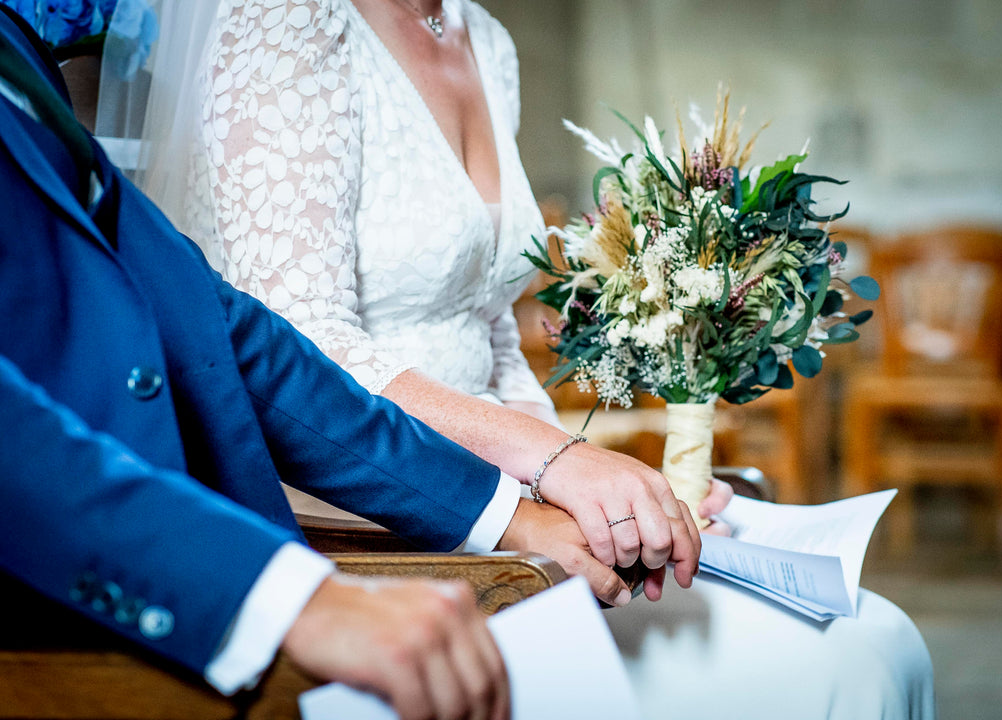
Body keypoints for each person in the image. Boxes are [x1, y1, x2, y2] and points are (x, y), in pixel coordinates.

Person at [124, 1, 935, 717]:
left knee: (880, 636)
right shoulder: (286, 19)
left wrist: (600, 494)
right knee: (844, 670)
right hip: (369, 516)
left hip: (515, 500)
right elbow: (300, 349)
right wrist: (551, 472)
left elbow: (493, 327)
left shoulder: (486, 38)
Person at [0, 7, 666, 719]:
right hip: (108, 586)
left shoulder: (15, 53)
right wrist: (277, 592)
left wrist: (510, 504)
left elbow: (223, 331)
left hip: (274, 531)